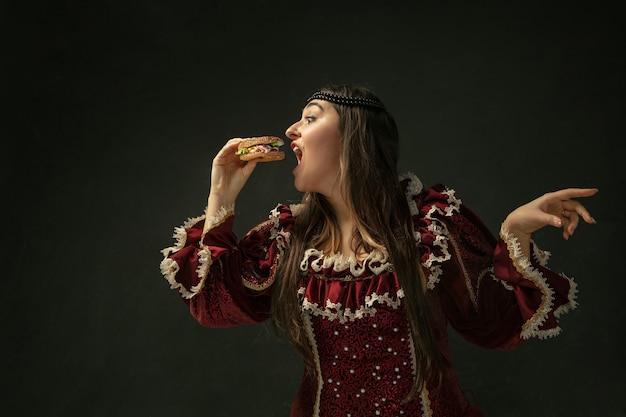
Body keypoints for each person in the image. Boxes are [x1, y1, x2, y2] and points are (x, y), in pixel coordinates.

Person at [159, 85, 597, 417]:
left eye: (310, 118)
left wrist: (516, 233)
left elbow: (497, 327)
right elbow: (214, 306)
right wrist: (221, 195)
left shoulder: (432, 226)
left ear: (354, 133)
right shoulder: (286, 236)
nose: (291, 130)